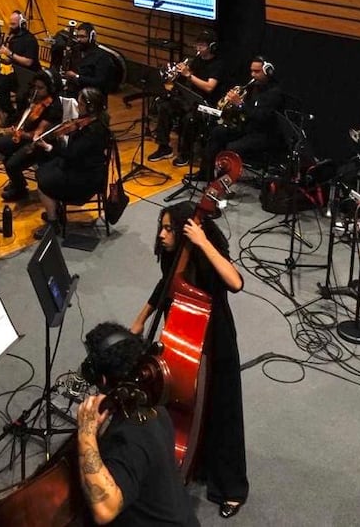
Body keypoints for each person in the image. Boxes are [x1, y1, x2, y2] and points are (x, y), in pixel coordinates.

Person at [130, 201, 248, 518]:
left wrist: (203, 241)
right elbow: (165, 285)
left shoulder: (203, 252)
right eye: (162, 227)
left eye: (169, 228)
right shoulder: (173, 255)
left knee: (223, 412)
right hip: (184, 337)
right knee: (183, 405)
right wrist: (141, 320)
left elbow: (235, 282)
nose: (162, 234)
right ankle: (195, 463)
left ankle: (232, 488)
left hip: (215, 341)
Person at [76, 323, 199, 527]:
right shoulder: (153, 405)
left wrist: (85, 433)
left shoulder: (127, 438)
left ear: (103, 379)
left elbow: (104, 510)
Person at [33, 86, 110, 238]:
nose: (77, 107)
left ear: (91, 107)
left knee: (42, 181)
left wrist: (50, 146)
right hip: (83, 169)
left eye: (80, 104)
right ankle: (55, 210)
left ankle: (53, 222)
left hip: (85, 179)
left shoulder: (93, 132)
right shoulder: (95, 122)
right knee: (44, 169)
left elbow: (71, 154)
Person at [149, 30, 224, 167]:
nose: (198, 49)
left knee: (190, 119)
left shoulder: (218, 64)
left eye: (202, 46)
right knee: (165, 107)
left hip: (206, 104)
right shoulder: (197, 59)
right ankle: (164, 147)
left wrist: (189, 75)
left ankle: (185, 154)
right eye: (197, 46)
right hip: (191, 99)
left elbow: (209, 87)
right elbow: (186, 75)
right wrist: (177, 73)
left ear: (212, 47)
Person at [201, 57, 284, 180]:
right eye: (252, 71)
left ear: (268, 72)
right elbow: (244, 111)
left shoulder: (274, 93)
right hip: (246, 127)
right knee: (217, 132)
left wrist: (240, 104)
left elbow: (261, 117)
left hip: (262, 134)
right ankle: (205, 174)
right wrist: (231, 105)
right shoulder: (252, 87)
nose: (252, 75)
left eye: (257, 71)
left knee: (232, 147)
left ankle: (222, 183)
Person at [0, 69, 63, 203]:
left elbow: (38, 135)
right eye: (35, 87)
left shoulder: (54, 107)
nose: (36, 91)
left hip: (41, 144)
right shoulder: (34, 100)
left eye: (40, 88)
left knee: (11, 164)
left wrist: (18, 133)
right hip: (26, 136)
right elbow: (23, 119)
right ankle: (17, 179)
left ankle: (20, 190)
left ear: (51, 88)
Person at [0, 9, 40, 117]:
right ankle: (10, 112)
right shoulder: (13, 38)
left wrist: (9, 53)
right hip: (17, 72)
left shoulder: (30, 40)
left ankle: (20, 118)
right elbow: (13, 59)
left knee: (21, 95)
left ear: (22, 24)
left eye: (13, 24)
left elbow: (28, 62)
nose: (10, 26)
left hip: (29, 74)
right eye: (10, 23)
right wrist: (2, 59)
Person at [61, 22, 113, 99]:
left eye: (82, 37)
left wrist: (76, 77)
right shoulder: (75, 50)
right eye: (77, 36)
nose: (79, 39)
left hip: (92, 96)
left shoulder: (102, 56)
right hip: (74, 92)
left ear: (92, 37)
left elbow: (100, 82)